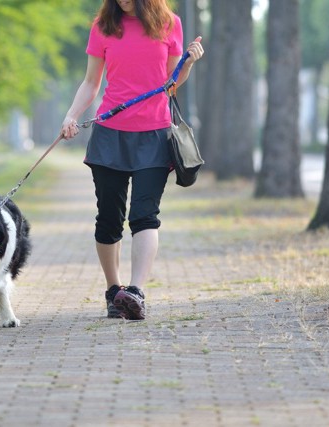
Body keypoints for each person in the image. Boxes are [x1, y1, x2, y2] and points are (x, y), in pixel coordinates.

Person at [60, 0, 204, 320]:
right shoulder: (103, 26)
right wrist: (72, 115)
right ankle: (114, 291)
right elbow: (91, 82)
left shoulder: (169, 24)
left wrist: (189, 64)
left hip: (154, 135)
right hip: (109, 134)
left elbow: (170, 83)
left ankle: (136, 292)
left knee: (144, 215)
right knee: (109, 218)